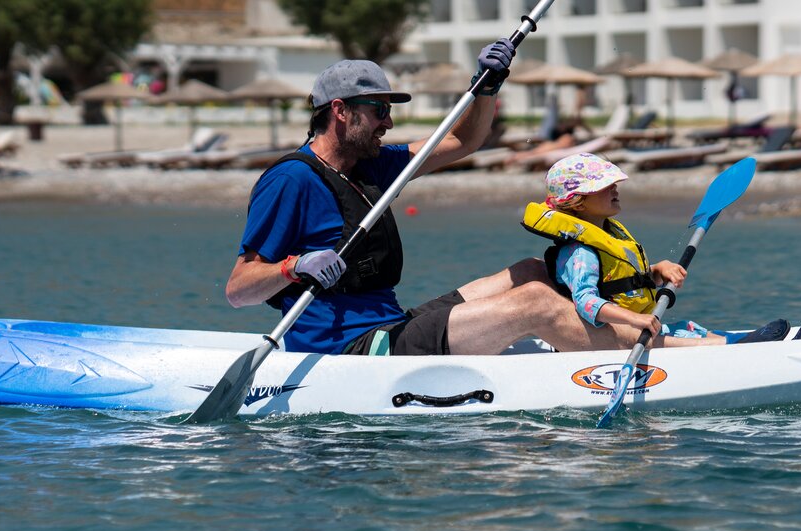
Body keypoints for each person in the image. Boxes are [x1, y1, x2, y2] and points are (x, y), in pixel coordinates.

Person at [224, 45, 750, 357]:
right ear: (340, 111)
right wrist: (296, 266)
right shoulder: (290, 180)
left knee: (531, 271)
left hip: (393, 322)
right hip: (353, 349)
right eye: (379, 110)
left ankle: (589, 338)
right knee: (538, 304)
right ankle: (679, 351)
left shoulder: (373, 165)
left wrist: (487, 88)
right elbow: (239, 289)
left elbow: (464, 142)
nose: (389, 122)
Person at [524, 153, 800, 348]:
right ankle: (741, 346)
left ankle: (746, 341)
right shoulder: (579, 252)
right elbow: (586, 302)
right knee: (684, 339)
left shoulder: (611, 234)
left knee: (691, 329)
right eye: (604, 186)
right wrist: (634, 318)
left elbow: (623, 282)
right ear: (578, 202)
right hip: (615, 335)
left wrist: (657, 271)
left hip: (643, 324)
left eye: (613, 183)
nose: (615, 188)